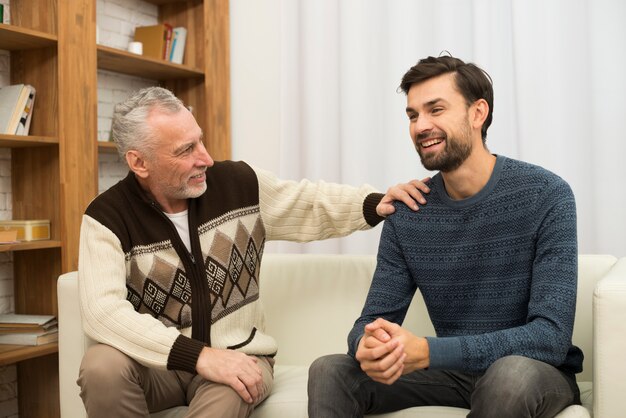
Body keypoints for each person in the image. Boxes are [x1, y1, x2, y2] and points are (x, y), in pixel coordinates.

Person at [76, 86, 430, 418]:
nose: (206, 159)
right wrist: (199, 356)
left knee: (233, 386)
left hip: (239, 359)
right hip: (159, 367)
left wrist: (374, 203)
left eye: (200, 141)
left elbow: (307, 203)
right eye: (186, 150)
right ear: (139, 163)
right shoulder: (106, 218)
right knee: (100, 366)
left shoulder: (238, 185)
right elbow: (102, 311)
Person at [308, 55, 583, 418]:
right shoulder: (408, 211)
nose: (421, 126)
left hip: (533, 373)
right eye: (412, 115)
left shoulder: (547, 194)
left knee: (509, 376)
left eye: (435, 110)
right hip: (452, 375)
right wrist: (368, 344)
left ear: (477, 113)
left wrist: (429, 350)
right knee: (330, 370)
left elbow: (549, 337)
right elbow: (370, 320)